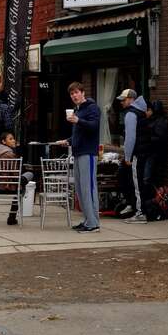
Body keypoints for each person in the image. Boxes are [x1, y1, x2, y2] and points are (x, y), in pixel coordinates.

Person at [57, 82, 101, 233]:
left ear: (83, 92)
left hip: (88, 153)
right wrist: (68, 141)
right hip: (77, 152)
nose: (74, 96)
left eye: (76, 92)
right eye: (71, 94)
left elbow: (94, 126)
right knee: (80, 189)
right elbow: (80, 133)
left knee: (88, 188)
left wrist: (78, 120)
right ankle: (88, 220)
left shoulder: (92, 108)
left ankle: (93, 223)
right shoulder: (78, 110)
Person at [117, 89, 151, 224]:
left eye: (124, 100)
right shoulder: (141, 112)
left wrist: (127, 156)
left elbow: (130, 138)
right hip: (144, 151)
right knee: (139, 182)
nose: (121, 102)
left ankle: (140, 213)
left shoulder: (131, 114)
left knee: (137, 183)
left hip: (136, 153)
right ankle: (137, 208)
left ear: (131, 99)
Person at [0, 132, 33, 225]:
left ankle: (12, 217)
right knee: (29, 175)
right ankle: (12, 217)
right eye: (10, 139)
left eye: (13, 138)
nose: (14, 141)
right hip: (8, 186)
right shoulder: (10, 154)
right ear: (4, 142)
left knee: (21, 184)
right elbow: (15, 174)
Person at [143, 100, 168, 188]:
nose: (145, 112)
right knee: (147, 176)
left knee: (148, 177)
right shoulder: (151, 120)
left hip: (154, 153)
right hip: (149, 152)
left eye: (147, 110)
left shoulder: (160, 122)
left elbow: (161, 138)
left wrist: (147, 139)